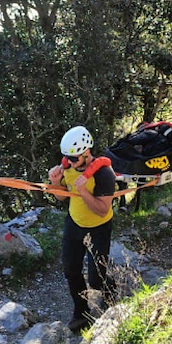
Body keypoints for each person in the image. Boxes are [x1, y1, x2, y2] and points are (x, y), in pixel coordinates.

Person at [48, 126, 116, 332]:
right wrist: (55, 183)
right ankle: (81, 313)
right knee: (71, 270)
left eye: (75, 159)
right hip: (74, 224)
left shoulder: (104, 174)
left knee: (96, 278)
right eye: (67, 158)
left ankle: (110, 293)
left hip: (99, 228)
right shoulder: (67, 167)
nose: (70, 162)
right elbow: (61, 197)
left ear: (87, 154)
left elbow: (103, 210)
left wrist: (83, 190)